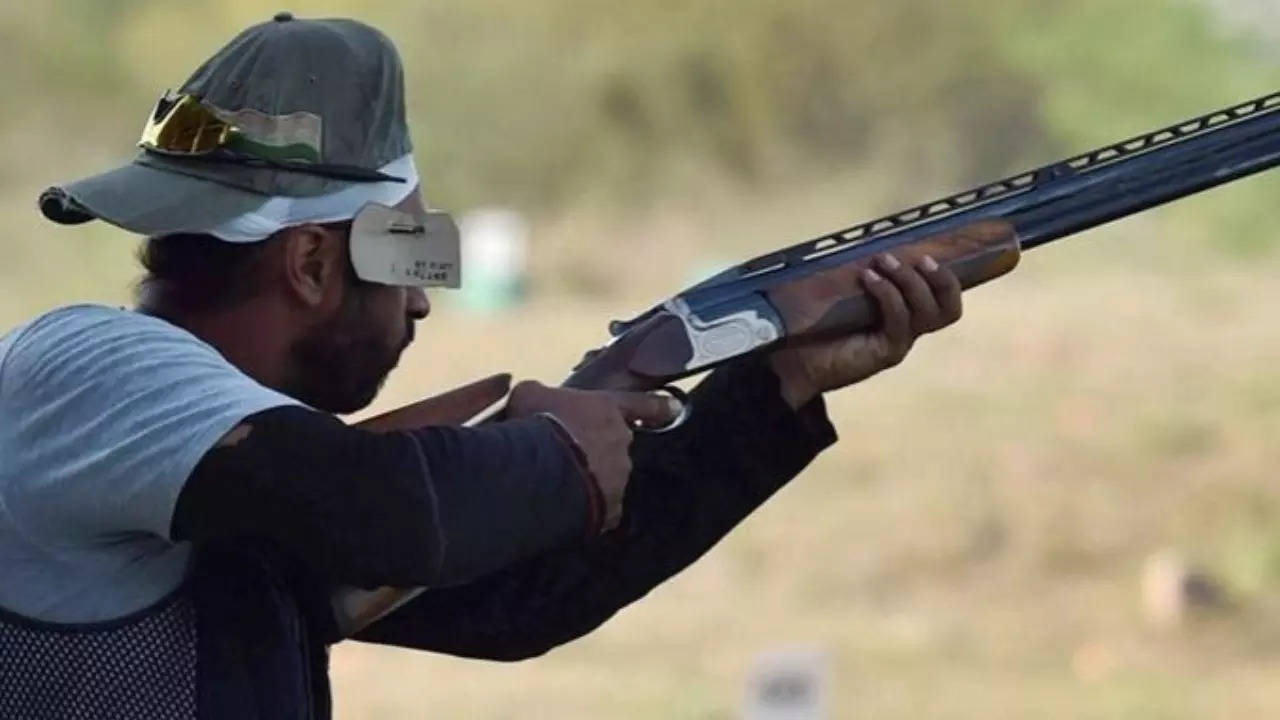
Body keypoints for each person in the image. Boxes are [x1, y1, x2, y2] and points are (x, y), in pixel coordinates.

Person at [0, 14, 988, 720]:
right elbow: (399, 512)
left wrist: (777, 385)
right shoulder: (84, 364)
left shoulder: (243, 490)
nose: (423, 297)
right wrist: (558, 442)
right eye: (404, 257)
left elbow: (523, 601)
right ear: (308, 263)